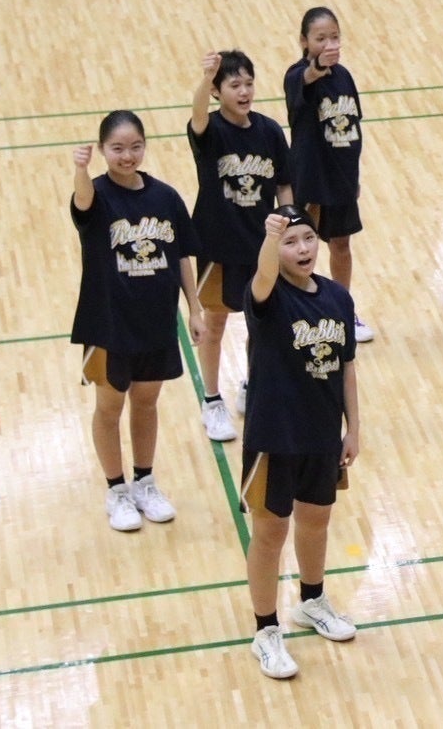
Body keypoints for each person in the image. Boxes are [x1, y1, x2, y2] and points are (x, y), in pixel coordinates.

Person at [241, 206, 361, 680]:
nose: (303, 248)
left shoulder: (337, 297)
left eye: (308, 238)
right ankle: (266, 630)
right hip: (273, 435)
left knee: (316, 521)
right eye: (291, 242)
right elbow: (263, 274)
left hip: (321, 433)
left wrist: (354, 427)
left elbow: (347, 365)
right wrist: (271, 240)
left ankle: (312, 601)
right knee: (270, 532)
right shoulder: (267, 296)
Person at [70, 110, 202, 531]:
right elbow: (82, 202)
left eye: (135, 147)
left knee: (146, 403)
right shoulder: (96, 195)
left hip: (156, 322)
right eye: (117, 148)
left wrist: (195, 308)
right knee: (109, 407)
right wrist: (80, 170)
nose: (127, 156)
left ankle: (145, 481)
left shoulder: (166, 197)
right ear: (103, 149)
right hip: (108, 325)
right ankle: (117, 490)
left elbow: (182, 255)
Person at [188, 49, 291, 442]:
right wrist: (206, 77)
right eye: (234, 85)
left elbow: (283, 183)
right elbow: (197, 113)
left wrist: (288, 227)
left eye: (249, 83)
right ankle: (212, 400)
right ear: (218, 92)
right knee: (215, 324)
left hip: (260, 247)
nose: (245, 91)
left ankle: (252, 385)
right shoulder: (209, 132)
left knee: (260, 323)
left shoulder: (269, 131)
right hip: (216, 245)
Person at [284, 7, 373, 346]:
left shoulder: (345, 76)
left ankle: (342, 311)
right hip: (310, 179)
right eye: (320, 38)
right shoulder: (297, 75)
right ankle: (294, 311)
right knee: (299, 250)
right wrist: (318, 65)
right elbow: (307, 78)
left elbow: (352, 128)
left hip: (341, 178)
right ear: (304, 41)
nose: (329, 43)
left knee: (342, 245)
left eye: (334, 37)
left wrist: (354, 176)